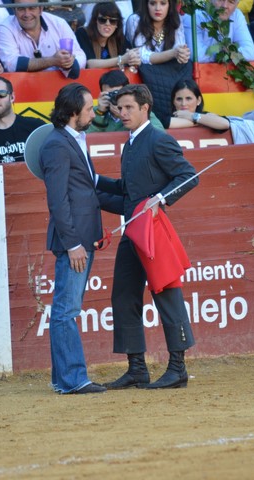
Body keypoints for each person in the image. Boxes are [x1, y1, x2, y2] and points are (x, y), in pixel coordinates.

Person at [96, 84, 198, 390]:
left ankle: (178, 368)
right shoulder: (129, 144)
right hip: (133, 231)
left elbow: (189, 175)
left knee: (167, 294)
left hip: (152, 232)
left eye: (129, 108)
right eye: (120, 108)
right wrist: (94, 186)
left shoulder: (158, 140)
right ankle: (137, 368)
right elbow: (128, 193)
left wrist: (162, 198)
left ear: (145, 109)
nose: (122, 113)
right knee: (123, 295)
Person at [39, 83, 122, 394]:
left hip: (83, 237)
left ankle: (63, 379)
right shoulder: (57, 145)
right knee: (66, 310)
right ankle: (73, 379)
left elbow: (90, 182)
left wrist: (123, 189)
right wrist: (73, 243)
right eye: (88, 109)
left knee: (66, 308)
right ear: (73, 112)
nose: (93, 113)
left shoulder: (73, 139)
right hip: (73, 241)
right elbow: (58, 200)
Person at [125, 0, 193, 127]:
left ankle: (186, 113)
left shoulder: (175, 19)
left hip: (169, 68)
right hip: (146, 70)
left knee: (187, 64)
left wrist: (182, 55)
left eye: (163, 3)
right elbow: (143, 56)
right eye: (152, 3)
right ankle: (163, 119)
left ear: (170, 5)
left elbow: (179, 48)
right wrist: (173, 53)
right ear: (146, 4)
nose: (158, 8)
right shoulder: (135, 19)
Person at [0, 0, 86, 78]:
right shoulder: (4, 28)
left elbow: (80, 55)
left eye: (32, 8)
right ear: (14, 10)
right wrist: (52, 61)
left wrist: (69, 62)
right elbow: (12, 64)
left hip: (61, 87)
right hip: (21, 88)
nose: (27, 14)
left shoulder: (58, 23)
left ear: (41, 9)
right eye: (21, 8)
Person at [87, 68, 164, 132]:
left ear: (127, 91)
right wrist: (100, 114)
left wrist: (124, 116)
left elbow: (159, 132)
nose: (114, 97)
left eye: (117, 93)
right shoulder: (95, 112)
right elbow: (85, 138)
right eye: (109, 94)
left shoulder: (138, 109)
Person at [183, 0, 254, 63]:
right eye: (220, 0)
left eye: (231, 2)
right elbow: (196, 56)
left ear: (237, 4)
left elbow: (250, 53)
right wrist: (223, 53)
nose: (224, 6)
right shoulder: (193, 16)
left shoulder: (237, 15)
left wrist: (227, 54)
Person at [75, 2, 141, 69]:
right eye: (102, 20)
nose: (107, 24)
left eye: (112, 21)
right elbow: (89, 64)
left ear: (117, 24)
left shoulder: (118, 36)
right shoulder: (82, 33)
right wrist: (121, 59)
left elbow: (129, 56)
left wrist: (133, 59)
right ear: (95, 21)